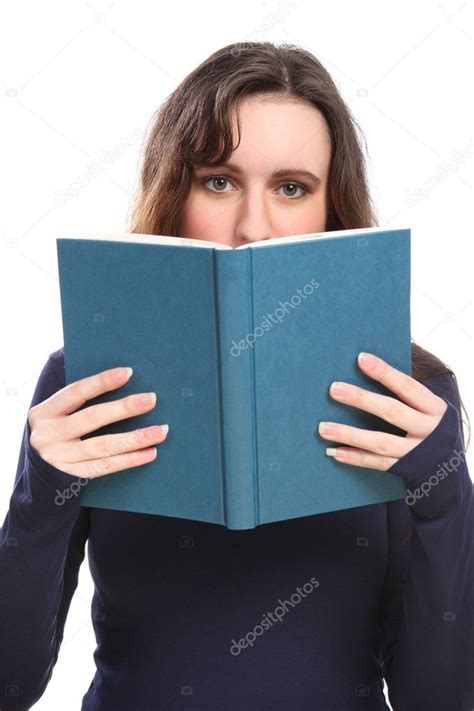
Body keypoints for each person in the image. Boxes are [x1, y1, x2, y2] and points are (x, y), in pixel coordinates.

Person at [1, 41, 472, 711]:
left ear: (331, 207)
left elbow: (441, 698)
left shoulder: (408, 397)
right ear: (176, 193)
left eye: (291, 187)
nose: (254, 227)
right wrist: (39, 501)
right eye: (218, 180)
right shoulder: (85, 384)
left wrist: (444, 496)